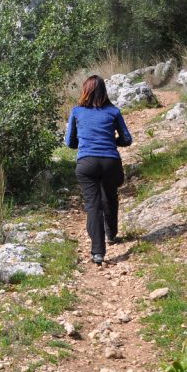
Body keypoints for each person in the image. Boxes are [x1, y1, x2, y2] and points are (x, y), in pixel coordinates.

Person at [64, 75, 132, 266]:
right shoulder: (113, 111)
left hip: (86, 163)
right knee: (110, 196)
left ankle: (98, 253)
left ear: (85, 91)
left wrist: (85, 142)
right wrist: (111, 142)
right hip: (111, 161)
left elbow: (70, 142)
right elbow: (127, 139)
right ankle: (111, 234)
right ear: (104, 91)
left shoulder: (77, 112)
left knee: (93, 205)